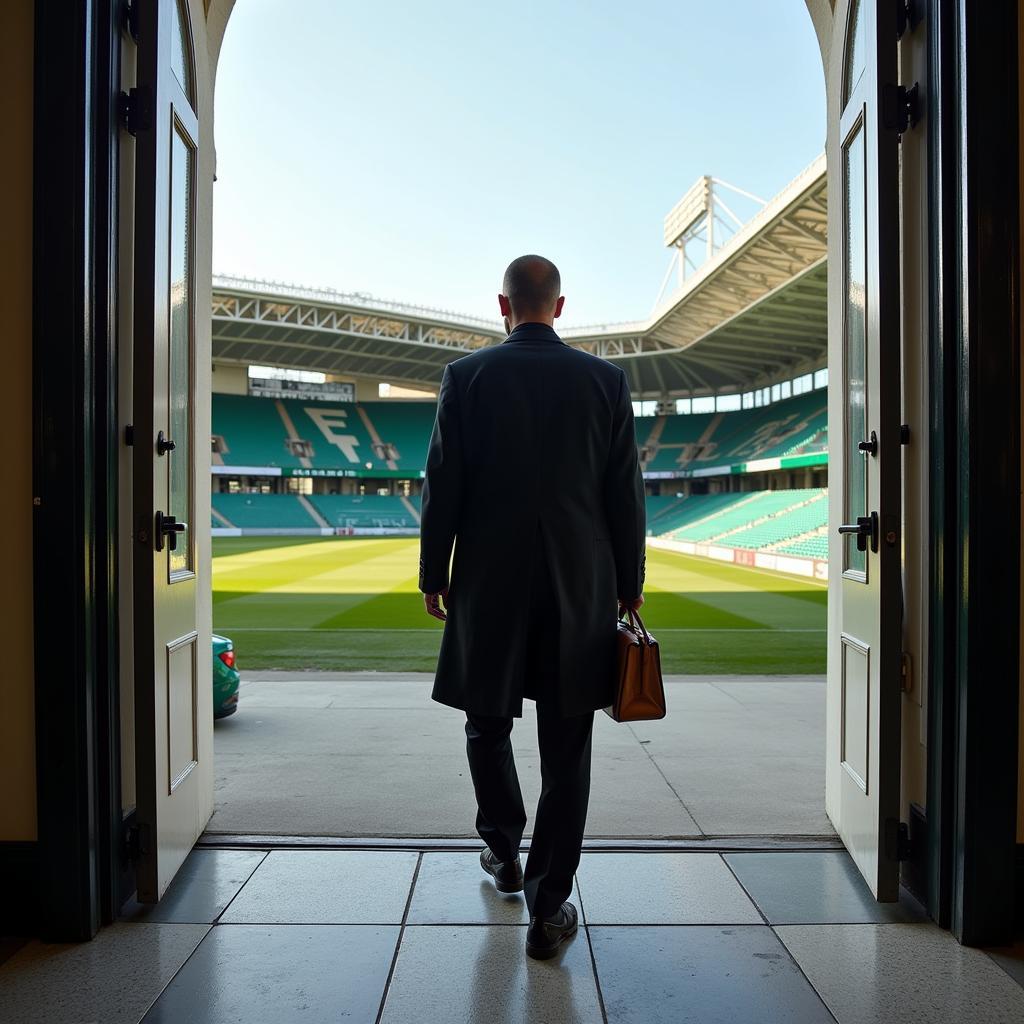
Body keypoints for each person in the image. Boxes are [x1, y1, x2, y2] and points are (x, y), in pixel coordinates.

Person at [418, 254, 645, 960]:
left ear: (503, 305)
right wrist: (628, 587)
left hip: (489, 582)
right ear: (561, 305)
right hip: (580, 587)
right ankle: (549, 908)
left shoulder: (467, 376)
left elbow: (443, 484)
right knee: (567, 747)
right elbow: (624, 497)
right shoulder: (606, 381)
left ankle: (504, 851)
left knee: (486, 725)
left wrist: (434, 572)